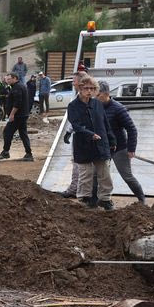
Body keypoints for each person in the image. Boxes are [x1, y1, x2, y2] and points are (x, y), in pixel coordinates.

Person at [67, 75, 116, 210]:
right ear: (80, 88)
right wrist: (90, 134)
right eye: (86, 88)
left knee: (104, 173)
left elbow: (105, 124)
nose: (89, 91)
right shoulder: (73, 106)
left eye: (92, 88)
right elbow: (76, 125)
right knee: (85, 174)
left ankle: (105, 199)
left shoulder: (97, 104)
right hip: (83, 145)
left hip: (101, 144)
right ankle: (84, 199)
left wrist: (112, 139)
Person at [97, 81, 145, 204]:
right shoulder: (96, 107)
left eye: (98, 94)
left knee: (127, 176)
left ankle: (142, 199)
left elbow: (131, 129)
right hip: (103, 148)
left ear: (106, 93)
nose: (95, 97)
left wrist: (131, 149)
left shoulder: (118, 109)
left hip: (120, 148)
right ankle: (100, 200)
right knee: (99, 175)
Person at [60, 71, 89, 199]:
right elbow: (75, 118)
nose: (72, 83)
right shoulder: (78, 97)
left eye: (74, 80)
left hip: (88, 136)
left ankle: (85, 191)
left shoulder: (88, 97)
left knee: (85, 164)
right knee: (76, 161)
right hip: (80, 135)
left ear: (81, 82)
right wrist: (69, 131)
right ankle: (75, 188)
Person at [0, 72, 33, 161]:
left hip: (18, 116)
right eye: (6, 79)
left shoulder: (17, 87)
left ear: (15, 78)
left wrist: (12, 114)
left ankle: (5, 152)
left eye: (9, 79)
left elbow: (17, 103)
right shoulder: (19, 86)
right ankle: (28, 153)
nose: (7, 81)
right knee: (23, 134)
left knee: (7, 132)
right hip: (22, 115)